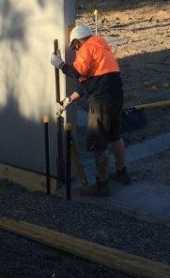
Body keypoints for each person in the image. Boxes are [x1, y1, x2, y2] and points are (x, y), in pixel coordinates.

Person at [51, 23, 129, 196]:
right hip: (116, 97)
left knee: (97, 142)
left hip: (101, 102)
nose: (75, 50)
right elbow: (90, 83)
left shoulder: (87, 48)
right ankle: (122, 172)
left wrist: (60, 65)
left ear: (78, 41)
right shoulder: (101, 48)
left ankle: (103, 185)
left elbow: (77, 72)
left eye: (74, 46)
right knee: (115, 136)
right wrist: (69, 99)